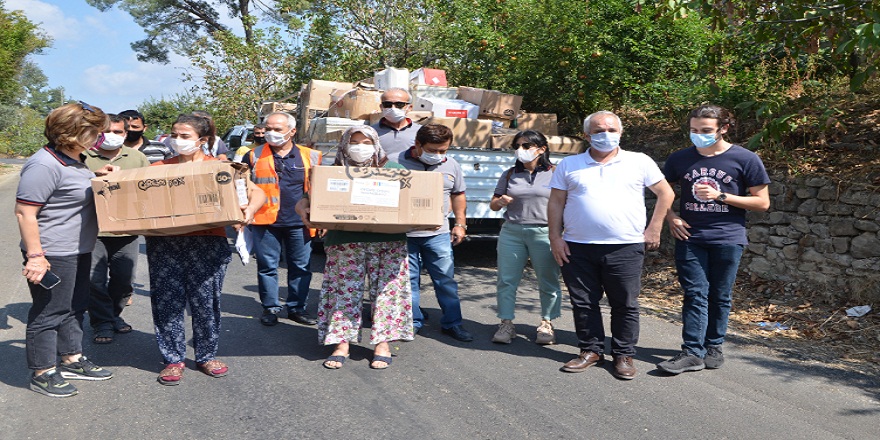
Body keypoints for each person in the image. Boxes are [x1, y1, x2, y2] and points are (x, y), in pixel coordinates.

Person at [549, 110, 674, 380]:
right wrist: (555, 238)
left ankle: (624, 355)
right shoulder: (569, 165)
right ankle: (591, 350)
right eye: (598, 130)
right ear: (586, 135)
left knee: (625, 303)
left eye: (611, 130)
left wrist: (654, 228)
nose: (605, 135)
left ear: (621, 132)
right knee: (583, 302)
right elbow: (556, 202)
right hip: (577, 246)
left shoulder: (639, 161)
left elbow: (666, 192)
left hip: (625, 246)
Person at [147, 114, 266, 385]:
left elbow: (256, 192)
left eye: (184, 136)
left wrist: (250, 209)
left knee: (205, 301)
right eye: (174, 134)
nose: (177, 140)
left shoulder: (220, 168)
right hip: (165, 243)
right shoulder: (158, 169)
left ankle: (206, 355)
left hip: (207, 241)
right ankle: (173, 358)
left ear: (202, 140)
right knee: (167, 301)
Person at [656, 105, 771, 375]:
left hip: (728, 237)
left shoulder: (746, 159)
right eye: (694, 130)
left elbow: (762, 202)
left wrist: (721, 196)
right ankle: (692, 352)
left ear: (724, 128)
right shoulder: (679, 159)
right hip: (690, 237)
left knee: (720, 295)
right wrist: (671, 217)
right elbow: (662, 192)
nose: (698, 135)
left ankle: (714, 346)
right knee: (695, 293)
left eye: (706, 131)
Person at [16, 102, 117, 397]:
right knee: (50, 311)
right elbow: (24, 212)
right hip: (53, 251)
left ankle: (71, 358)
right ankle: (42, 372)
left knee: (75, 306)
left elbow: (68, 191)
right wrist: (36, 256)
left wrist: (96, 175)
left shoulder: (74, 159)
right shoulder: (44, 164)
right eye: (96, 130)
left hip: (78, 247)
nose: (102, 135)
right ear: (75, 132)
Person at [296, 126, 414, 369]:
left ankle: (383, 343)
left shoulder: (394, 170)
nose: (360, 147)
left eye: (367, 142)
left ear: (376, 144)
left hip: (388, 242)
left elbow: (413, 200)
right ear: (345, 144)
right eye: (355, 141)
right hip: (344, 241)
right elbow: (309, 198)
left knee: (387, 293)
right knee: (344, 292)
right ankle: (341, 343)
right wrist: (302, 205)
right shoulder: (332, 172)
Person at [243, 112, 322, 326]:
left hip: (300, 221)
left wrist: (321, 218)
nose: (271, 133)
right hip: (265, 221)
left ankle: (297, 308)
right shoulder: (253, 155)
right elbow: (242, 187)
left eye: (277, 129)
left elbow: (320, 189)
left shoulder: (312, 156)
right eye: (268, 129)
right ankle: (270, 308)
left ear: (292, 131)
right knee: (268, 267)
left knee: (301, 267)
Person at [396, 124, 473, 342]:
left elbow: (458, 195)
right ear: (417, 145)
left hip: (438, 234)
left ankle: (452, 323)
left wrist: (460, 224)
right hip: (404, 234)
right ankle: (412, 322)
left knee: (445, 280)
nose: (438, 155)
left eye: (443, 151)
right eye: (433, 150)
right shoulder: (396, 162)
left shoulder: (452, 165)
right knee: (408, 281)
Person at [489, 130, 562, 345]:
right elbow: (493, 204)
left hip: (545, 232)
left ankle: (547, 323)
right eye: (518, 145)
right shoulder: (510, 173)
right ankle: (506, 323)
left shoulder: (556, 172)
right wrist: (500, 202)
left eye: (527, 146)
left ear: (542, 149)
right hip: (512, 231)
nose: (521, 150)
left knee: (548, 280)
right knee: (506, 280)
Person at [83, 114, 150, 344]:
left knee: (123, 280)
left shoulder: (137, 158)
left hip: (127, 231)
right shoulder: (83, 156)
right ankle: (101, 322)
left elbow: (149, 189)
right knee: (94, 281)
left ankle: (113, 315)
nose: (112, 136)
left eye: (118, 132)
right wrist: (95, 176)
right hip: (93, 230)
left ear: (125, 133)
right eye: (106, 132)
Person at [372, 87, 422, 160]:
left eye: (399, 105)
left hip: (411, 170)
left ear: (409, 107)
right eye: (387, 104)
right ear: (381, 107)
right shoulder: (371, 132)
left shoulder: (421, 131)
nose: (393, 108)